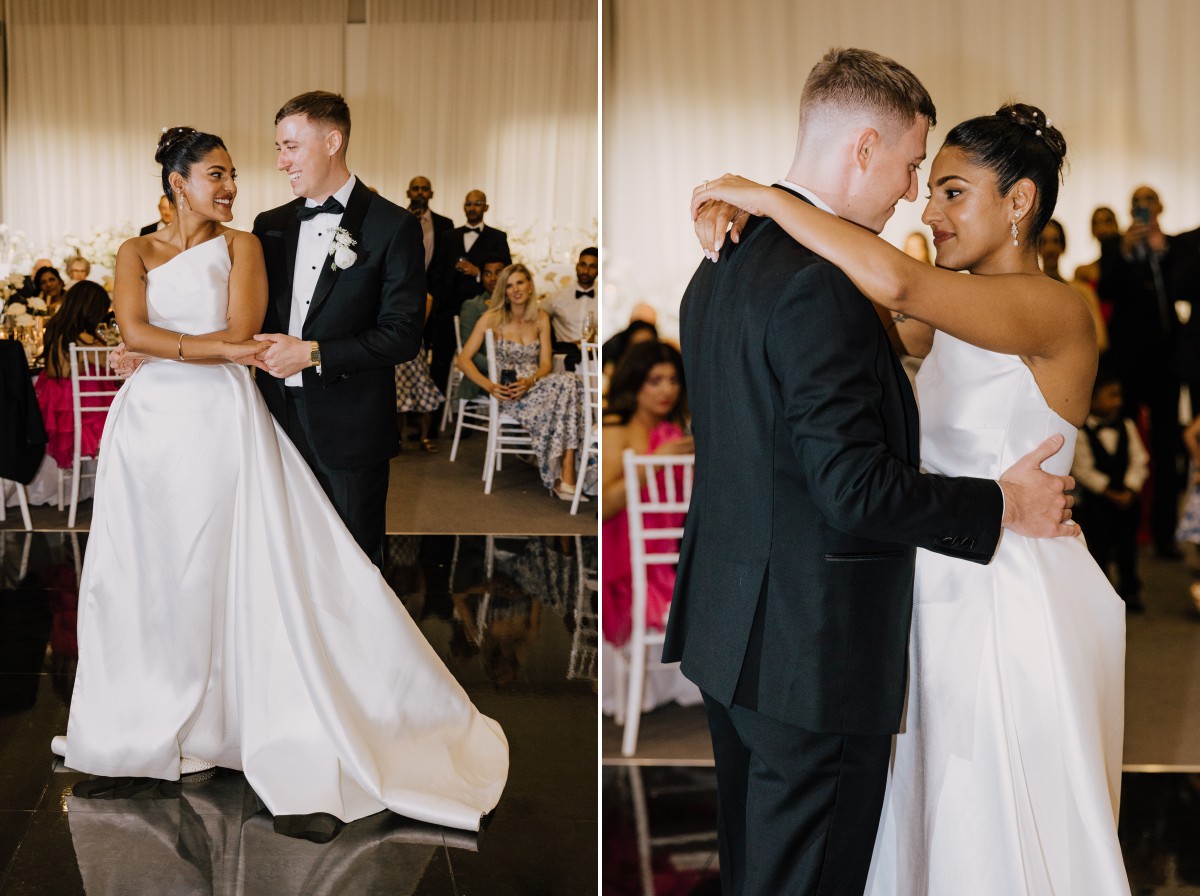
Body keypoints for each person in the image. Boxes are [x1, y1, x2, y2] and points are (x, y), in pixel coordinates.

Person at [690, 86, 1128, 893]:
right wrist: (752, 230)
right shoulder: (949, 314)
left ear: (1021, 202)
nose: (929, 211)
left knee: (995, 812)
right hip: (937, 583)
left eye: (953, 191)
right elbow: (845, 302)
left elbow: (894, 285)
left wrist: (761, 198)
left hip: (1013, 591)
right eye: (929, 189)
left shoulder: (1052, 309)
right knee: (931, 813)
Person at [58, 126, 507, 845]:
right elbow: (136, 333)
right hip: (146, 428)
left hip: (218, 420)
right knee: (147, 574)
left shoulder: (245, 244)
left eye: (236, 172)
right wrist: (167, 350)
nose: (234, 185)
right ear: (177, 182)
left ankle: (245, 722)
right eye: (217, 173)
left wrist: (170, 349)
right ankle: (146, 728)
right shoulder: (133, 251)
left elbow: (238, 331)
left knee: (229, 569)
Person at [251, 91, 427, 569]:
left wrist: (313, 352)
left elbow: (403, 334)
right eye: (278, 148)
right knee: (284, 555)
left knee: (354, 561)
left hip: (350, 425)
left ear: (333, 141)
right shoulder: (268, 225)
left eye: (290, 147)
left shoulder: (393, 226)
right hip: (271, 420)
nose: (281, 161)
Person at [1097, 185, 1183, 559]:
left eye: (1149, 201)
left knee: (1166, 451)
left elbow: (1183, 290)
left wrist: (1163, 255)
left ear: (1161, 206)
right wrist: (1128, 253)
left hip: (1166, 363)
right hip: (1129, 363)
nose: (1143, 208)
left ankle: (1165, 534)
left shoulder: (1175, 247)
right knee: (1122, 444)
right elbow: (1107, 290)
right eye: (1137, 203)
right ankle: (1122, 535)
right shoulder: (1117, 245)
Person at [456, 263, 583, 501]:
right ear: (503, 291)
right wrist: (491, 387)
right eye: (509, 285)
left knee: (570, 382)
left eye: (520, 283)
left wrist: (530, 381)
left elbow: (545, 364)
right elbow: (462, 360)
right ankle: (567, 472)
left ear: (530, 285)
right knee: (569, 385)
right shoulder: (491, 318)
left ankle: (565, 469)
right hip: (509, 393)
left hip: (535, 386)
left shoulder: (540, 318)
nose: (515, 290)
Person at [601, 340, 692, 648]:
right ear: (635, 382)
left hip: (671, 553)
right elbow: (603, 508)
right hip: (622, 554)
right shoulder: (616, 429)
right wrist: (653, 463)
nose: (667, 390)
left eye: (674, 379)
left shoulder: (677, 432)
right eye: (655, 381)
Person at [1072, 366, 1149, 611]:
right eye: (1111, 395)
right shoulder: (1081, 432)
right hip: (1097, 504)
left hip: (1126, 500)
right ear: (1092, 399)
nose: (1118, 401)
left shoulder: (1126, 425)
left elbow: (1140, 459)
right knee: (1099, 549)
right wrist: (1108, 491)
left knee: (1128, 548)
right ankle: (1103, 595)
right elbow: (1081, 468)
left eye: (1119, 395)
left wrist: (1130, 488)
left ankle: (1131, 590)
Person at [428, 190, 512, 401]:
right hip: (448, 309)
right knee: (440, 362)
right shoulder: (449, 236)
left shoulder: (497, 237)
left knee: (478, 358)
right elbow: (437, 271)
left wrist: (477, 273)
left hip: (482, 309)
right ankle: (434, 422)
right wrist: (439, 300)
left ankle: (469, 417)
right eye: (468, 204)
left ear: (486, 207)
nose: (472, 208)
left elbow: (506, 274)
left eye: (477, 203)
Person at [33, 281, 118, 469]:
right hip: (85, 411)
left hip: (59, 407)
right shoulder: (85, 341)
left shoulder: (55, 331)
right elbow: (114, 367)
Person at [1038, 217, 1108, 351]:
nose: (1050, 248)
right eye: (1043, 242)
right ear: (1037, 248)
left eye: (1055, 241)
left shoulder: (1083, 291)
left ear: (1063, 246)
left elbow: (1101, 340)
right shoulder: (1029, 292)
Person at [394, 291, 443, 452]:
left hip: (415, 352)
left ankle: (425, 437)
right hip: (396, 354)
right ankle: (398, 439)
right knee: (398, 401)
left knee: (426, 396)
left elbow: (429, 297)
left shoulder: (416, 298)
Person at [456, 255, 508, 400]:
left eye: (498, 272)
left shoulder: (515, 306)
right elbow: (469, 351)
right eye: (488, 273)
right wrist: (499, 366)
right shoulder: (473, 306)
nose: (493, 278)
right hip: (483, 375)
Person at [541, 247, 599, 370]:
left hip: (595, 360)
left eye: (592, 266)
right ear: (577, 266)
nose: (586, 270)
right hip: (563, 361)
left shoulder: (604, 298)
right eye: (583, 264)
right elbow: (536, 315)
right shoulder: (557, 297)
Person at [405, 175, 454, 270]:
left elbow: (447, 259)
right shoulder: (397, 220)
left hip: (434, 283)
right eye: (415, 188)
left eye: (425, 189)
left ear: (431, 194)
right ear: (408, 193)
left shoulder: (445, 224)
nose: (420, 192)